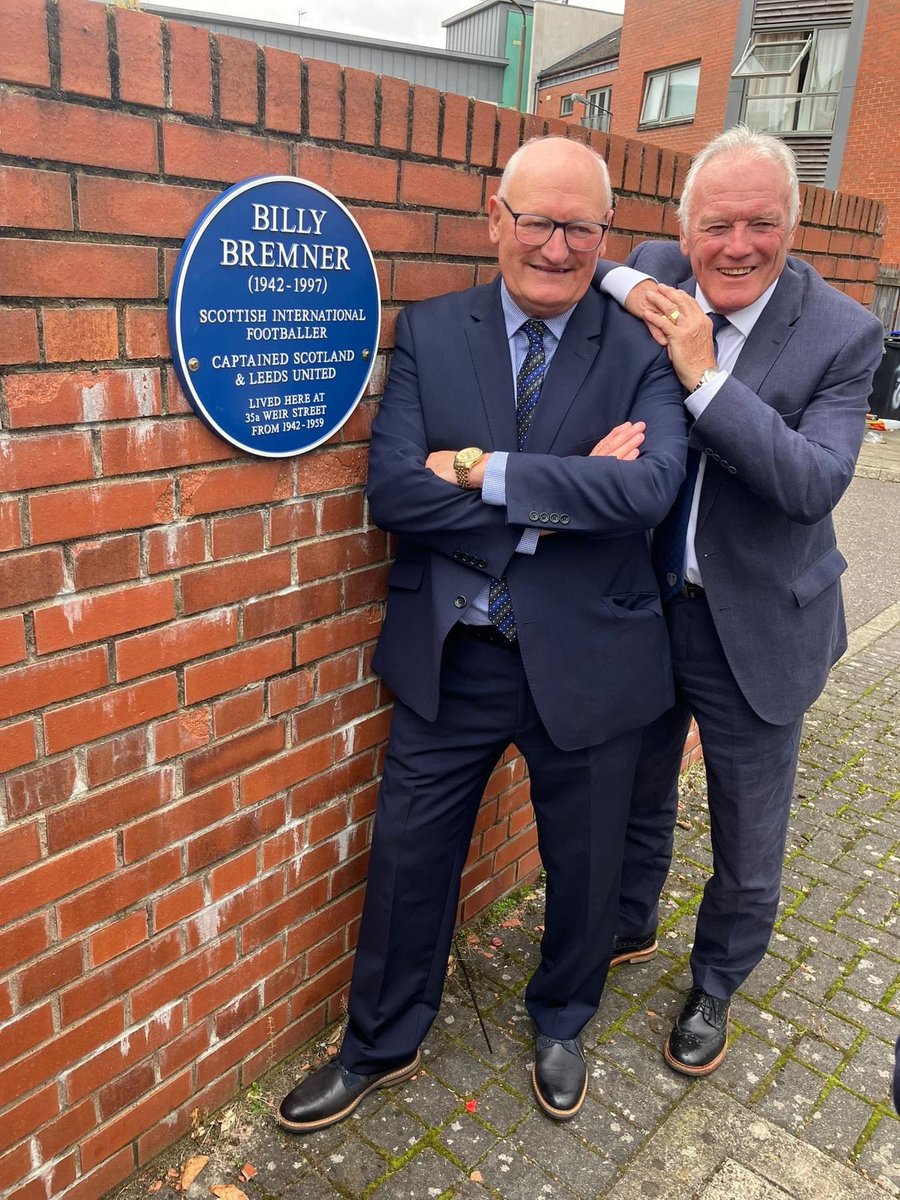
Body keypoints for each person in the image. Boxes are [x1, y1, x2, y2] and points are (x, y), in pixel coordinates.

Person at [277, 136, 687, 1131]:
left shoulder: (645, 348)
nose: (554, 247)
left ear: (605, 231)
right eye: (536, 220)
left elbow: (646, 489)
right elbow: (393, 490)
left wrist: (474, 468)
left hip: (592, 655)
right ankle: (381, 1039)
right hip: (452, 651)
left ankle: (562, 1019)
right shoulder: (430, 330)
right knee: (409, 860)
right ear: (492, 216)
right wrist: (560, 491)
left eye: (579, 227)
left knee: (585, 865)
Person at [595, 126, 884, 1076]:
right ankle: (630, 922)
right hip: (651, 606)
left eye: (763, 223)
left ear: (792, 226)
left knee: (747, 823)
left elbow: (812, 482)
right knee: (638, 788)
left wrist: (702, 374)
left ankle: (717, 981)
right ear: (686, 227)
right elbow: (606, 266)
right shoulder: (658, 265)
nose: (738, 246)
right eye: (717, 224)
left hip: (759, 623)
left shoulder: (844, 333)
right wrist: (627, 286)